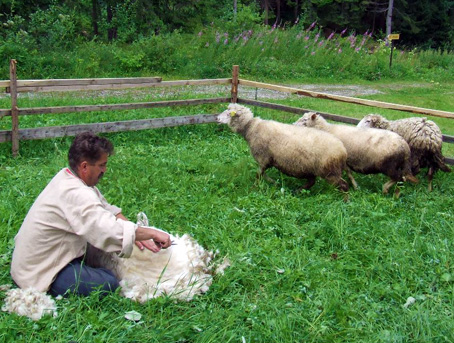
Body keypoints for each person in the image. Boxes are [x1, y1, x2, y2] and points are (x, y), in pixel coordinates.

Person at [10, 132, 171, 297]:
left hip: (30, 263)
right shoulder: (76, 193)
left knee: (100, 256)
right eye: (101, 165)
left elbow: (105, 208)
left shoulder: (69, 177)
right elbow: (106, 229)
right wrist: (149, 233)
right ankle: (60, 283)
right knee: (108, 283)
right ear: (85, 166)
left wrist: (136, 232)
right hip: (42, 271)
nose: (105, 170)